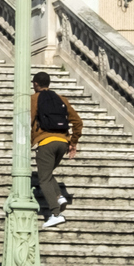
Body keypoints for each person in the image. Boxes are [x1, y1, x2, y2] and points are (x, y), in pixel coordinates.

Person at [31, 72, 82, 227]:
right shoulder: (61, 99)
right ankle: (59, 196)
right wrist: (73, 142)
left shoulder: (34, 99)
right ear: (49, 83)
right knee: (47, 173)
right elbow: (78, 122)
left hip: (46, 142)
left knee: (43, 178)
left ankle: (56, 213)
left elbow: (29, 119)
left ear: (35, 84)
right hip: (62, 143)